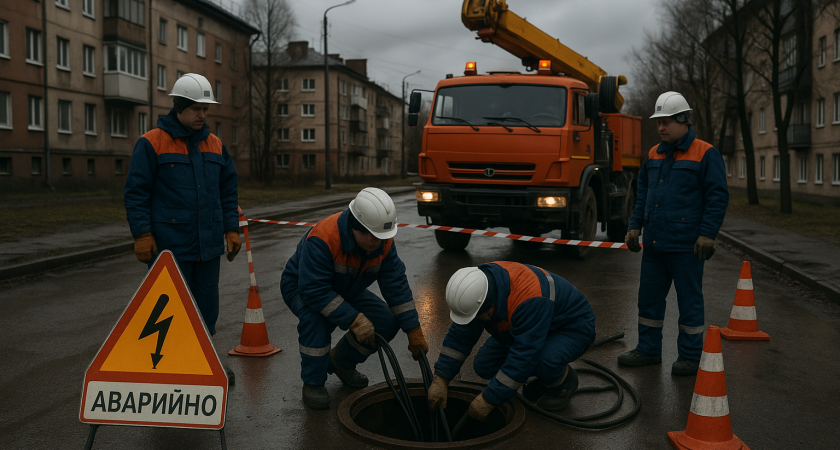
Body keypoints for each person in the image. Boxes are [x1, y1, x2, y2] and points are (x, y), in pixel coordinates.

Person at [124, 73, 241, 383]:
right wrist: (142, 234)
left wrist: (231, 229)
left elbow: (228, 191)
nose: (202, 115)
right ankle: (165, 367)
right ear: (178, 106)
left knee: (206, 309)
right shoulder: (152, 142)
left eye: (205, 108)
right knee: (168, 311)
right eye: (195, 109)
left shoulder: (215, 145)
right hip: (169, 247)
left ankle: (205, 363)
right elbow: (136, 192)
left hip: (208, 247)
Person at [280, 187, 429, 410]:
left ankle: (341, 362)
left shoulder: (382, 241)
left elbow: (395, 285)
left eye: (381, 236)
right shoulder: (324, 238)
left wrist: (413, 329)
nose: (376, 242)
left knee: (385, 321)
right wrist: (354, 320)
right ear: (354, 226)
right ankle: (313, 382)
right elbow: (314, 290)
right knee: (316, 320)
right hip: (303, 286)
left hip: (348, 287)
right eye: (370, 235)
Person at [618, 91, 728, 376]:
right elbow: (642, 193)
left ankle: (690, 357)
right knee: (649, 299)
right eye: (658, 123)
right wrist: (634, 226)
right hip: (654, 244)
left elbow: (717, 197)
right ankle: (648, 350)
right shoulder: (654, 153)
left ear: (684, 120)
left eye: (666, 122)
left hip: (686, 247)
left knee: (689, 301)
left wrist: (707, 234)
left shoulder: (705, 153)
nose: (661, 128)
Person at [427, 262, 595, 420]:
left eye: (479, 315)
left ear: (491, 304)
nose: (478, 320)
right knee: (484, 365)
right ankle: (545, 376)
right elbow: (460, 336)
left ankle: (562, 382)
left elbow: (524, 355)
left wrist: (488, 400)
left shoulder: (529, 299)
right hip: (530, 327)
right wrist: (441, 378)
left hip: (571, 328)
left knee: (544, 361)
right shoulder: (477, 285)